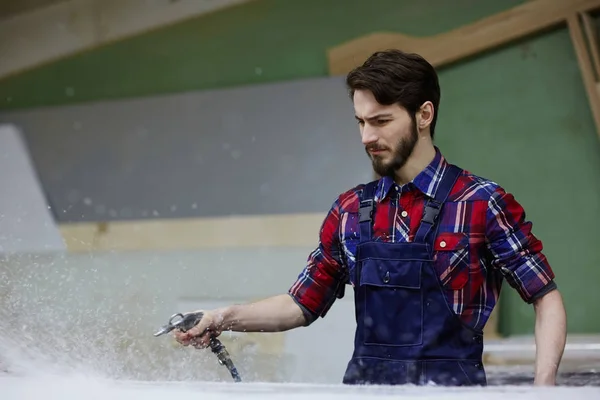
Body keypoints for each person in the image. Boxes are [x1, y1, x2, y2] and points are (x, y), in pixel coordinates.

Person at [173, 49, 567, 386]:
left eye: (381, 121)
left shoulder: (480, 202)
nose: (366, 137)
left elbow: (545, 299)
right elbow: (299, 304)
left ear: (423, 114)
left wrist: (541, 390)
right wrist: (220, 317)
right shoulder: (349, 211)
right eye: (361, 122)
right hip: (365, 392)